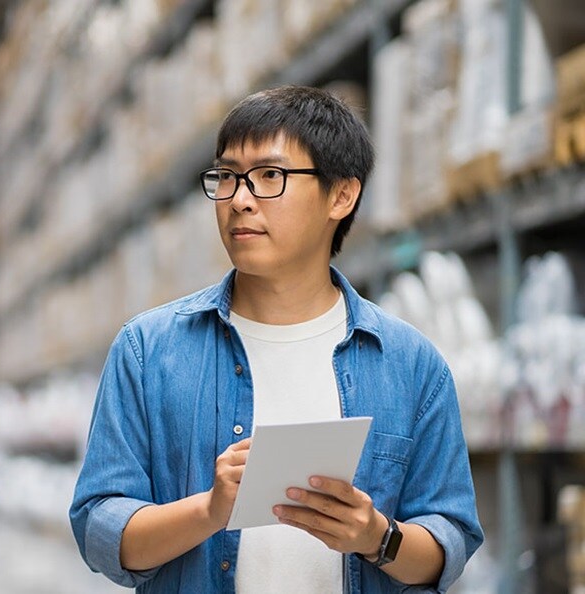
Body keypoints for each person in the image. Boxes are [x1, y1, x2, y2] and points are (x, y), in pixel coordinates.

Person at [69, 86, 483, 593]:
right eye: (226, 177)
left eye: (270, 176)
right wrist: (210, 509)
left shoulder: (410, 365)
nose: (240, 200)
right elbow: (99, 531)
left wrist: (376, 536)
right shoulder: (148, 352)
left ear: (342, 195)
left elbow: (450, 542)